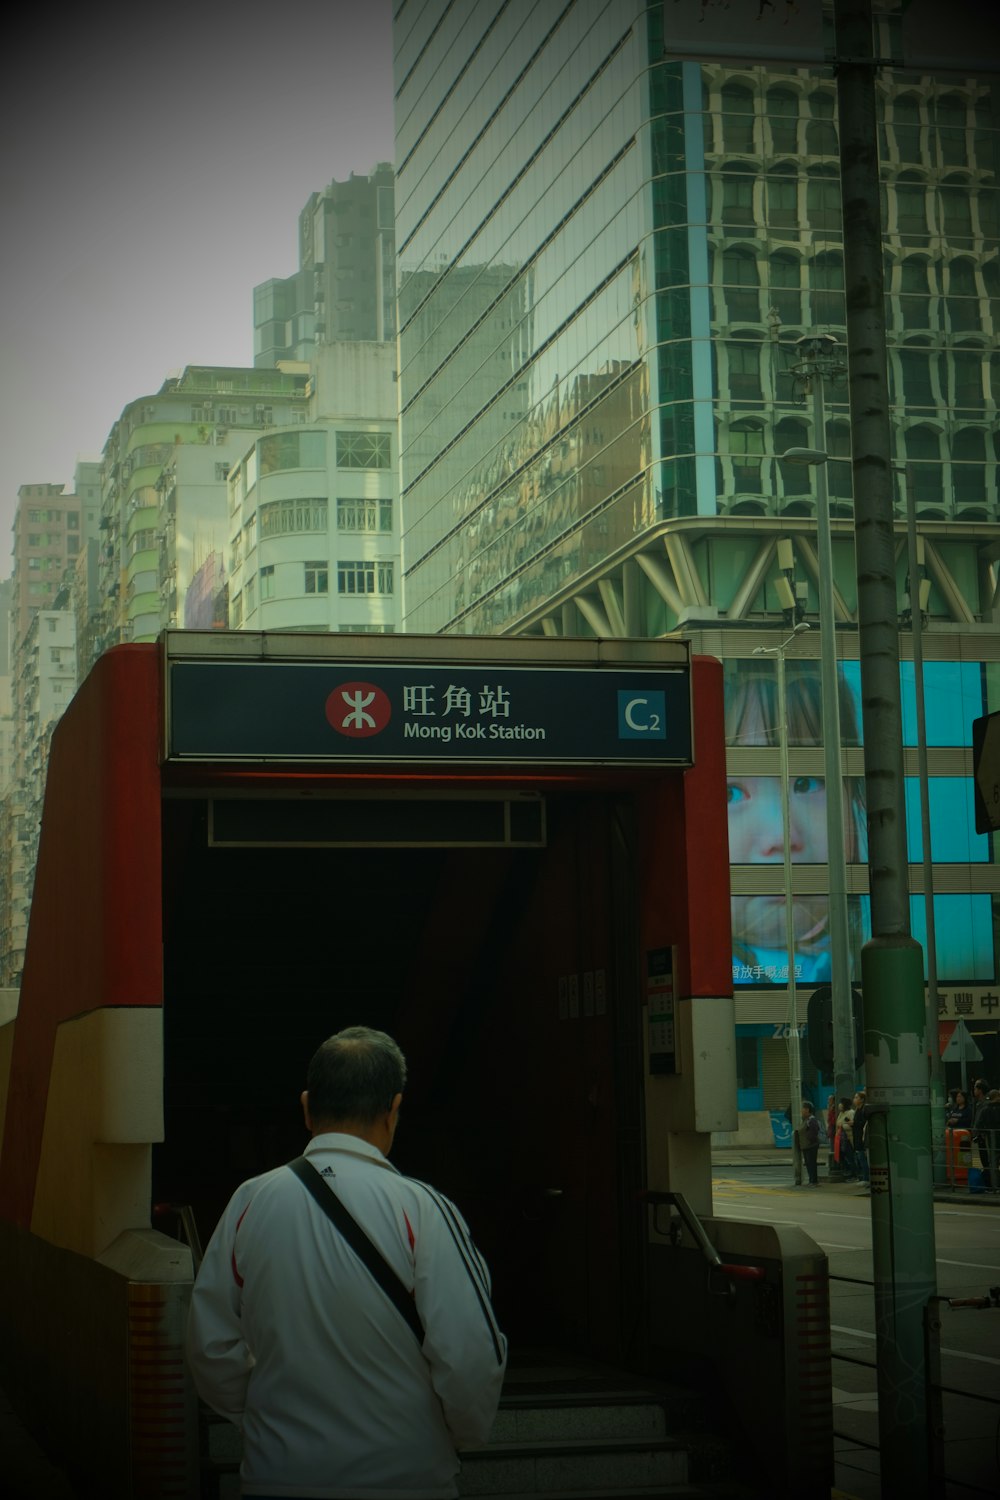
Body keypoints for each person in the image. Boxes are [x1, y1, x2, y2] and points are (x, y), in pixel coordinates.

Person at [186, 1026, 507, 1499]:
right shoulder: (422, 1209)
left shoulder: (251, 1202)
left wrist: (265, 1417)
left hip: (279, 1475)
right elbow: (470, 1354)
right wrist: (455, 1434)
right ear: (393, 1109)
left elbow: (209, 1348)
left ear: (306, 1106)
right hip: (406, 1476)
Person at [726, 661, 867, 986]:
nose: (781, 835)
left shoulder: (862, 977)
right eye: (731, 793)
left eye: (805, 783)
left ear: (854, 801)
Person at [796, 1100, 821, 1185]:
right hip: (806, 1146)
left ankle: (814, 1181)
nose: (801, 1111)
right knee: (808, 1164)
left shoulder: (811, 1120)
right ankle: (811, 1180)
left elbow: (814, 1132)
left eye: (802, 1109)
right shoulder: (805, 1120)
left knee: (812, 1164)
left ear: (807, 1110)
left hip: (811, 1146)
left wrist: (809, 1139)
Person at [835, 1095, 857, 1180]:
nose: (839, 1105)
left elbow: (851, 1125)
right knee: (843, 1157)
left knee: (850, 1157)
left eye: (841, 1103)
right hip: (841, 1139)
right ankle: (848, 1172)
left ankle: (854, 1174)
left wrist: (842, 1126)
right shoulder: (841, 1113)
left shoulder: (851, 1113)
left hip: (848, 1139)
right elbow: (838, 1124)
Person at [851, 1090, 870, 1185]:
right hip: (856, 1136)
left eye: (856, 1097)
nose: (854, 1099)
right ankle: (863, 1177)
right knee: (859, 1158)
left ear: (862, 1099)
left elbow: (864, 1123)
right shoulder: (857, 1110)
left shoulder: (863, 1110)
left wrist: (854, 1123)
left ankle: (866, 1178)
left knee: (863, 1158)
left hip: (862, 1137)